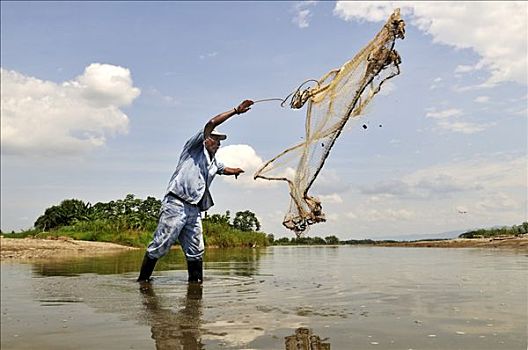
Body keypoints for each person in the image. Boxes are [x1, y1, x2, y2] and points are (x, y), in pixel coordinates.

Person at [137, 99, 254, 283]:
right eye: (214, 139)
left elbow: (224, 169)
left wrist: (236, 171)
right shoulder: (193, 149)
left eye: (218, 141)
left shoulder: (214, 162)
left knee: (196, 251)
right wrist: (236, 111)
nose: (216, 143)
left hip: (194, 210)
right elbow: (211, 123)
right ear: (205, 139)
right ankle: (142, 282)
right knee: (161, 244)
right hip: (176, 203)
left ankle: (195, 287)